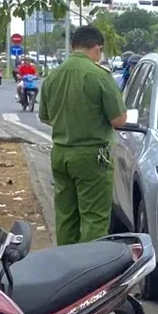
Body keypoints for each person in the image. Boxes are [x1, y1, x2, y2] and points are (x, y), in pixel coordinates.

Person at [39, 25, 127, 245]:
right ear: (97, 48)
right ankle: (88, 271)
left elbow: (45, 117)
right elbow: (119, 120)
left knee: (66, 216)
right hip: (91, 156)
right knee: (94, 217)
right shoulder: (100, 75)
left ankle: (66, 266)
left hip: (60, 154)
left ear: (72, 46)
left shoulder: (53, 75)